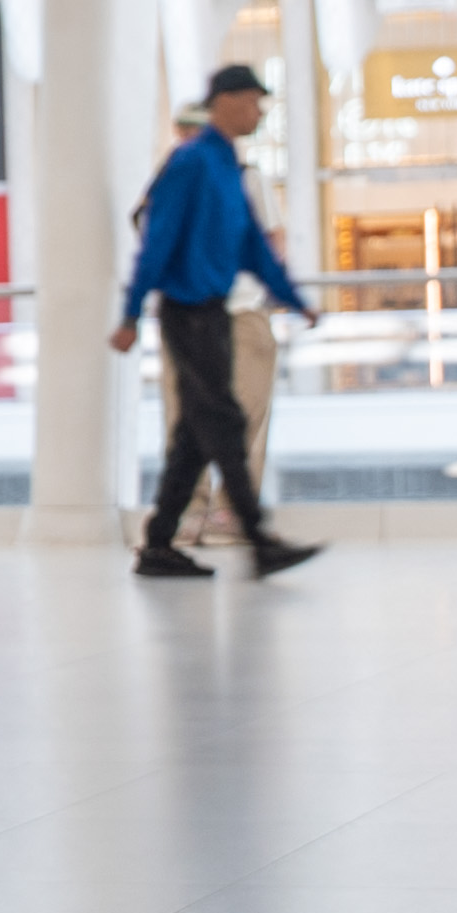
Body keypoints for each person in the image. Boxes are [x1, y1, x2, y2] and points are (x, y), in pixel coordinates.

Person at [114, 65, 322, 580]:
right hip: (191, 315)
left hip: (214, 312)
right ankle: (258, 539)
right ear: (226, 102)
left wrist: (294, 300)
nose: (258, 113)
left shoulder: (229, 167)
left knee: (194, 435)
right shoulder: (189, 164)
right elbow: (156, 244)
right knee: (224, 422)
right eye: (253, 102)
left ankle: (159, 543)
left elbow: (254, 244)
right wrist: (131, 312)